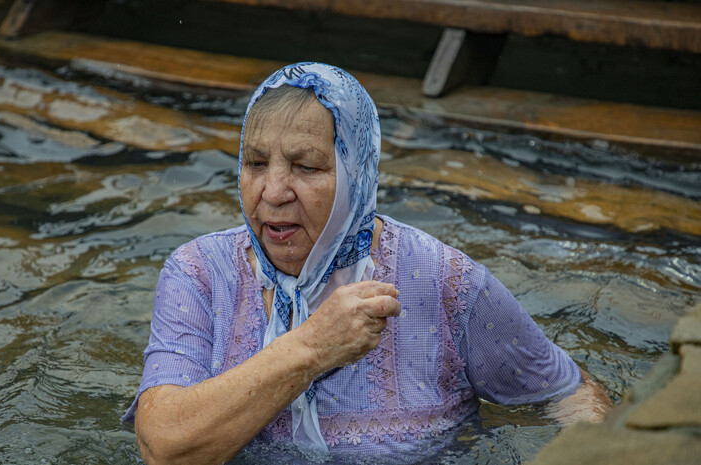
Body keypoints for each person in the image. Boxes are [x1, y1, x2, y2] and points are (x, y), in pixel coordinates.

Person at [122, 62, 611, 465]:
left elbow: (568, 394)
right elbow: (164, 448)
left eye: (306, 166)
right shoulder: (200, 274)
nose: (271, 192)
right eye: (254, 163)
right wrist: (313, 347)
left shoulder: (446, 282)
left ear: (357, 172)